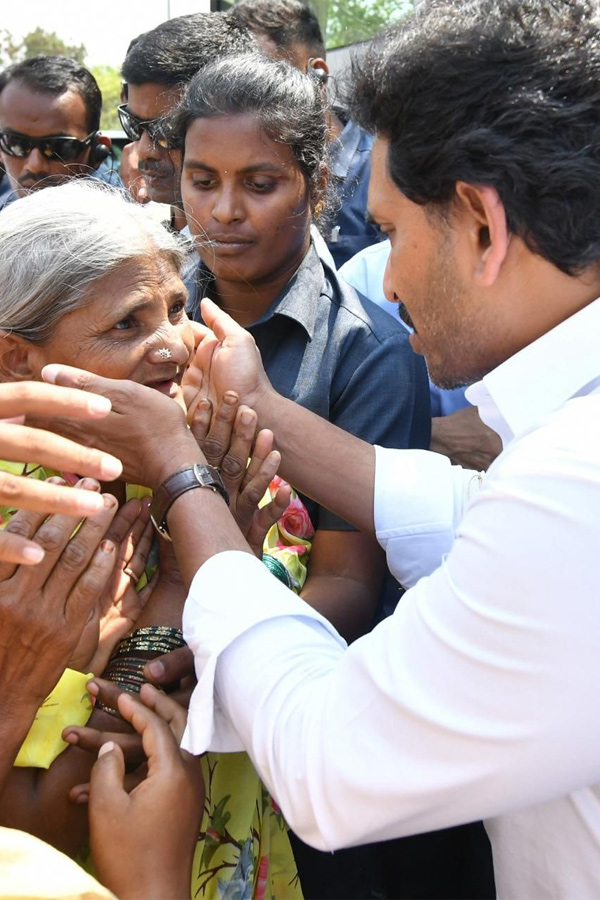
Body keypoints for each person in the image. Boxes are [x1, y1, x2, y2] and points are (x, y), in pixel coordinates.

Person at [46, 1, 600, 897]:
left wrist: (183, 476)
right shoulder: (564, 468)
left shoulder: (575, 483)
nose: (389, 276)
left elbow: (329, 763)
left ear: (483, 227)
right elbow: (462, 515)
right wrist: (256, 404)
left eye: (390, 235)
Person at [0, 178, 302, 900]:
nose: (173, 345)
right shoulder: (19, 525)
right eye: (126, 325)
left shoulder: (213, 450)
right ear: (16, 360)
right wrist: (178, 584)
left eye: (174, 307)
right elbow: (55, 819)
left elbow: (298, 631)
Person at [176, 52, 429, 644]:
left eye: (260, 184)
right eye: (202, 180)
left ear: (315, 186)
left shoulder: (370, 353)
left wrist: (218, 662)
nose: (224, 211)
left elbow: (349, 584)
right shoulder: (147, 313)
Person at [232, 0, 383, 269]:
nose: (249, 104)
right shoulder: (229, 177)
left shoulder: (383, 168)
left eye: (269, 82)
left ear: (318, 75)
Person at [340, 239, 503, 473]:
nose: (388, 289)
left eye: (394, 230)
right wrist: (422, 436)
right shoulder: (360, 285)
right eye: (387, 231)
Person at [119, 12, 255, 231]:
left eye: (167, 130)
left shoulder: (252, 251)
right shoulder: (138, 228)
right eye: (134, 125)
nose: (144, 150)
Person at [0, 56, 115, 207]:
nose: (34, 165)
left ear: (96, 153)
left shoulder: (121, 225)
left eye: (58, 147)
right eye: (16, 144)